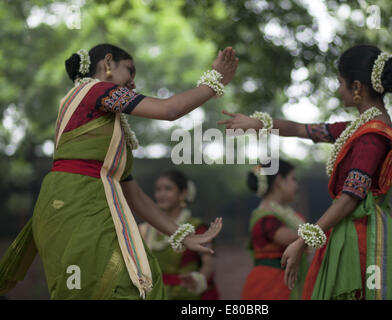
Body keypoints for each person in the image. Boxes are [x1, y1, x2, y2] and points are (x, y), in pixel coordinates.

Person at [0, 43, 238, 299]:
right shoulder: (96, 90)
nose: (133, 83)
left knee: (138, 282)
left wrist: (182, 236)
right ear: (108, 63)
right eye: (130, 71)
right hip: (76, 203)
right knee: (118, 287)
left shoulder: (107, 134)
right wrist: (216, 80)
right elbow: (169, 110)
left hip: (81, 203)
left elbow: (134, 195)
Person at [218, 44, 392, 299]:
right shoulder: (357, 128)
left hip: (362, 235)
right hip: (352, 230)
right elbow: (303, 130)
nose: (337, 89)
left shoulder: (372, 138)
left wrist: (303, 241)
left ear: (356, 87)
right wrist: (257, 123)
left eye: (340, 82)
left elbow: (348, 199)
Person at [138, 170, 220, 299]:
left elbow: (208, 264)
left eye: (168, 189)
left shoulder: (196, 227)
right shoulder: (146, 229)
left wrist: (198, 280)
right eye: (158, 189)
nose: (161, 194)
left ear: (183, 194)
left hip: (185, 294)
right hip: (154, 294)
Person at [242, 159, 308, 300]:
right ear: (279, 181)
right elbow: (293, 239)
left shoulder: (287, 214)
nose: (297, 186)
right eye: (293, 179)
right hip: (271, 285)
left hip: (285, 282)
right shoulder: (265, 217)